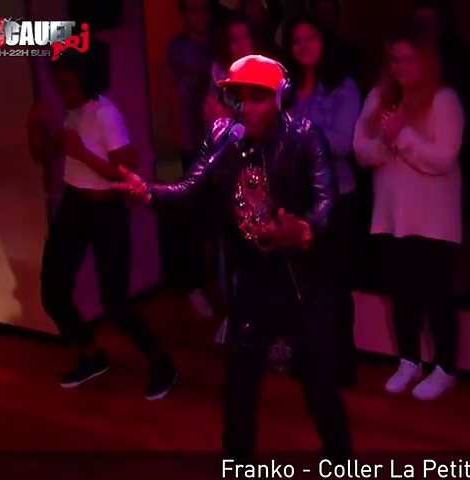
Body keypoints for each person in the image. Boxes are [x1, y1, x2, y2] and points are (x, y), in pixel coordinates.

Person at [113, 55, 351, 459]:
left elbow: (326, 206)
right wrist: (148, 192)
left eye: (258, 98)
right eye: (239, 98)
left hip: (300, 281)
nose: (246, 108)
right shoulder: (224, 135)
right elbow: (192, 186)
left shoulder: (306, 137)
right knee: (238, 385)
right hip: (251, 280)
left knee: (319, 386)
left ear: (281, 97)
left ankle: (340, 458)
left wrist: (301, 229)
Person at [28, 42, 177, 400]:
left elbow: (128, 171)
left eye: (67, 84)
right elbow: (43, 153)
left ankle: (161, 362)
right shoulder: (73, 113)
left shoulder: (105, 114)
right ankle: (91, 354)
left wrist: (82, 155)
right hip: (74, 206)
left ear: (86, 78)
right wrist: (33, 122)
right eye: (57, 83)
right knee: (53, 291)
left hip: (106, 210)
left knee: (115, 302)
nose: (61, 91)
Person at [353, 24, 465, 401]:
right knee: (401, 294)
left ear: (426, 61)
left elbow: (443, 158)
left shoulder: (444, 99)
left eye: (409, 59)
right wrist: (387, 141)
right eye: (395, 60)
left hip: (434, 220)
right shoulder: (378, 96)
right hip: (392, 215)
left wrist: (400, 136)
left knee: (437, 295)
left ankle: (446, 367)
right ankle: (409, 360)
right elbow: (361, 150)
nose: (401, 67)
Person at [282, 13, 363, 387]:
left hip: (336, 197)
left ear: (324, 41)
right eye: (297, 40)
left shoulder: (343, 87)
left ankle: (341, 366)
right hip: (295, 197)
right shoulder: (285, 88)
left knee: (334, 285)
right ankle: (305, 359)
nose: (303, 46)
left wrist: (297, 135)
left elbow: (344, 143)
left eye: (310, 38)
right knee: (301, 285)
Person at [166, 0, 215, 317]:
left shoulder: (221, 40)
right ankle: (195, 286)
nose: (199, 16)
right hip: (192, 140)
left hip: (224, 139)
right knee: (194, 216)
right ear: (183, 13)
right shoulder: (178, 48)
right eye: (192, 10)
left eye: (204, 9)